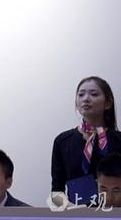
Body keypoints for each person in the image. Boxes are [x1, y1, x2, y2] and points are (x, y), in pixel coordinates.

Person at [50, 76, 121, 207]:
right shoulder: (63, 141)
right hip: (76, 212)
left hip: (115, 213)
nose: (86, 99)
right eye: (81, 94)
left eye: (94, 94)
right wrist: (75, 209)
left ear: (108, 103)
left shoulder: (118, 140)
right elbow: (56, 192)